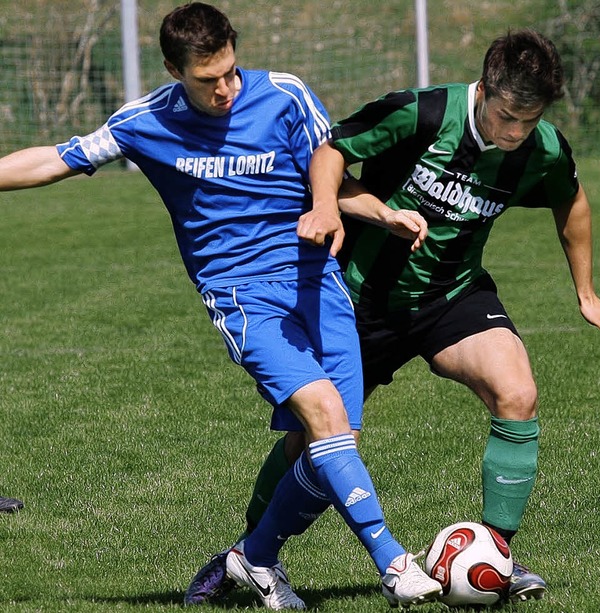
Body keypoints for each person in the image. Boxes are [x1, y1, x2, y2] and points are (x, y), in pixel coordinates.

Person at [0, 3, 443, 610]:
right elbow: (57, 156)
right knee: (323, 414)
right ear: (173, 69)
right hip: (242, 295)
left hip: (318, 285)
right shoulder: (145, 120)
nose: (225, 89)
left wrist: (372, 211)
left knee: (331, 444)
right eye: (208, 80)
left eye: (231, 71)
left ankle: (253, 558)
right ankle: (394, 563)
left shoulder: (284, 94)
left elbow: (328, 162)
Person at [185, 28, 600, 605]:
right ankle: (249, 554)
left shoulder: (542, 148)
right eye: (506, 117)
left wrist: (588, 294)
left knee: (517, 392)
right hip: (360, 299)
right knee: (310, 443)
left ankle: (493, 556)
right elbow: (331, 151)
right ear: (484, 89)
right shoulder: (420, 113)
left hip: (453, 295)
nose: (515, 132)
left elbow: (571, 200)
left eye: (530, 119)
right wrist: (326, 206)